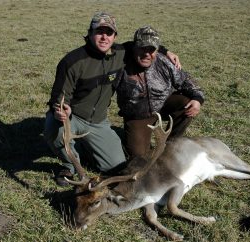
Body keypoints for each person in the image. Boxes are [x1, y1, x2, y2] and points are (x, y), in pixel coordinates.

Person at [44, 13, 180, 186]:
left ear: (114, 36)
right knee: (52, 128)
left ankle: (87, 148)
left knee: (115, 167)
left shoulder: (120, 53)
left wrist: (165, 51)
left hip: (99, 122)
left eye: (109, 33)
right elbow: (59, 97)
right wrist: (61, 110)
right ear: (90, 33)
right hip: (74, 117)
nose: (104, 37)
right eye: (99, 31)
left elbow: (140, 45)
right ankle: (68, 165)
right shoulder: (71, 62)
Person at [116, 26, 204, 160]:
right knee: (140, 159)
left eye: (151, 49)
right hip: (138, 116)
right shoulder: (119, 62)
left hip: (163, 105)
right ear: (134, 47)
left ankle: (170, 147)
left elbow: (186, 81)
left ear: (157, 50)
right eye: (142, 48)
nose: (147, 54)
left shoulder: (164, 61)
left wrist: (197, 99)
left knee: (186, 103)